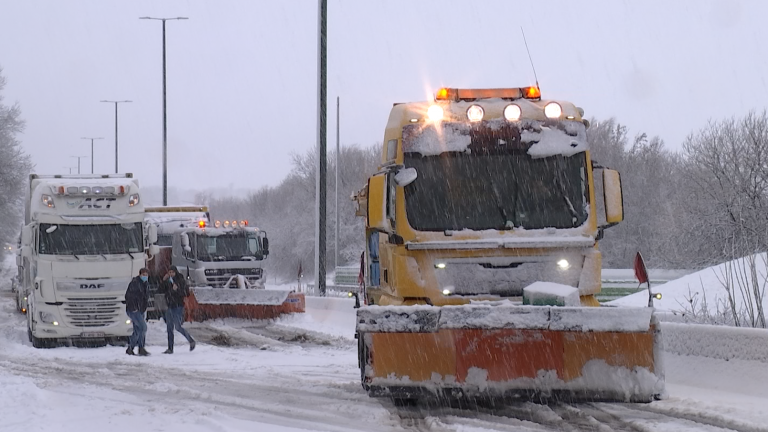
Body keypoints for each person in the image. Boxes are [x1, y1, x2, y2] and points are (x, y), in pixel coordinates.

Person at [158, 266, 196, 353]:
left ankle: (191, 340)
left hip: (178, 306)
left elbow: (186, 293)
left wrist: (177, 290)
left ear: (176, 272)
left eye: (172, 272)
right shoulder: (167, 281)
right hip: (169, 306)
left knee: (178, 326)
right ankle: (170, 348)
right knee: (169, 328)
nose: (171, 274)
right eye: (169, 272)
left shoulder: (181, 281)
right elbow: (160, 291)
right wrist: (163, 281)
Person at [124, 268, 150, 356]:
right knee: (143, 327)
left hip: (140, 310)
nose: (145, 276)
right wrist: (134, 307)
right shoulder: (135, 283)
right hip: (134, 310)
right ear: (140, 274)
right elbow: (129, 296)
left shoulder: (144, 284)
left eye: (146, 275)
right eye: (143, 274)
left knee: (138, 329)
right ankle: (140, 347)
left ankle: (132, 348)